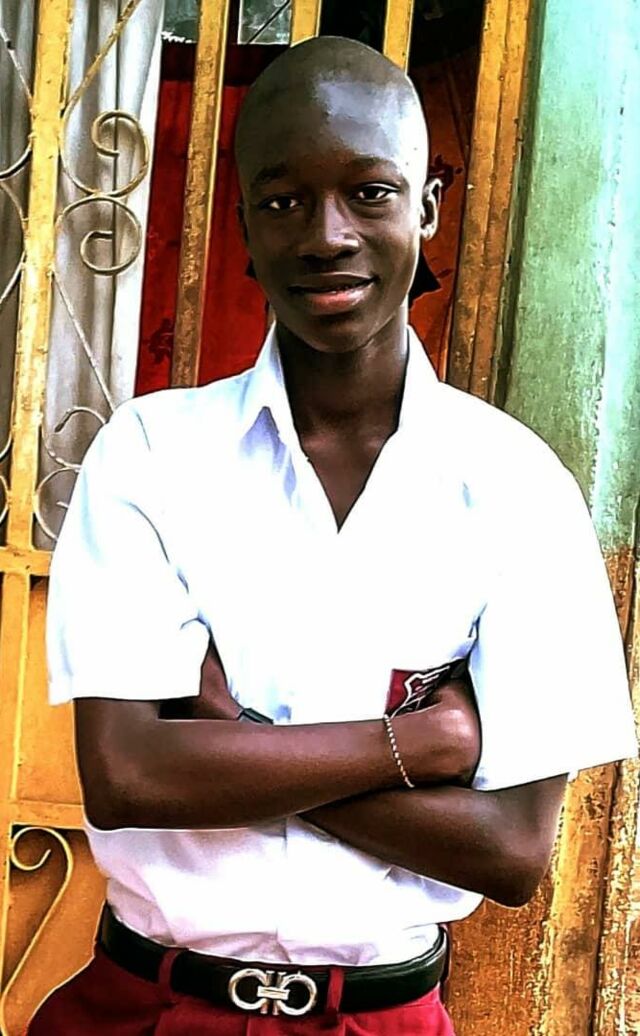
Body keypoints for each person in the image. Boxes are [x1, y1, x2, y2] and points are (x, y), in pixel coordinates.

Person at [33, 35, 636, 1036]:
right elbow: (128, 776)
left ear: (428, 207)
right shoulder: (149, 455)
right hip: (147, 1008)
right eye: (282, 201)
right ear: (242, 224)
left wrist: (229, 740)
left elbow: (510, 852)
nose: (327, 235)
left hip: (382, 1019)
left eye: (369, 192)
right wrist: (416, 745)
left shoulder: (518, 488)